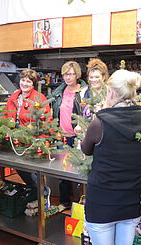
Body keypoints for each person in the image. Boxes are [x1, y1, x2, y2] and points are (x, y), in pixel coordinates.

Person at [81, 69, 141, 245]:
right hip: (129, 202)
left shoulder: (100, 121)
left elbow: (86, 149)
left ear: (112, 92)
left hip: (101, 203)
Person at [3, 69, 51, 202]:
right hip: (16, 140)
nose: (24, 83)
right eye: (23, 80)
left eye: (28, 81)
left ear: (33, 84)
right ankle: (35, 195)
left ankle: (43, 196)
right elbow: (7, 115)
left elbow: (45, 121)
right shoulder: (14, 97)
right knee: (20, 168)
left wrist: (39, 141)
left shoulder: (39, 99)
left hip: (32, 141)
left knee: (33, 172)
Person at [49, 61, 87, 211]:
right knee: (63, 171)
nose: (67, 77)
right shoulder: (59, 92)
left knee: (80, 170)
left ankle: (81, 204)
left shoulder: (84, 92)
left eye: (70, 73)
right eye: (65, 74)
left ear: (77, 74)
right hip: (62, 136)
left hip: (79, 137)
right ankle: (65, 202)